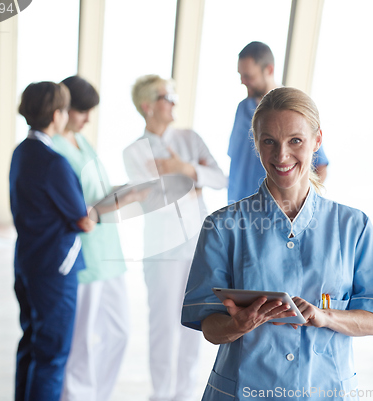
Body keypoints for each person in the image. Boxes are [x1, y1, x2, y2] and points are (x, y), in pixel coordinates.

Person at [182, 87, 373, 401]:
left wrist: (326, 317)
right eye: (269, 141)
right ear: (256, 144)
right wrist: (236, 326)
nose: (281, 155)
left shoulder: (353, 226)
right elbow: (209, 325)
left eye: (295, 140)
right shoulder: (222, 226)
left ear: (317, 141)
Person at [123, 74, 227, 401]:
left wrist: (184, 169)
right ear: (148, 105)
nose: (174, 103)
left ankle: (183, 394)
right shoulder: (134, 152)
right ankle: (161, 394)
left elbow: (220, 179)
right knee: (163, 326)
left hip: (198, 249)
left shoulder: (190, 140)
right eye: (168, 97)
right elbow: (157, 203)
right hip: (162, 251)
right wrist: (191, 185)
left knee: (195, 324)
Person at [52, 76, 142, 401]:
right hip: (85, 257)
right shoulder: (56, 149)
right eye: (82, 111)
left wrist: (127, 191)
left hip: (109, 254)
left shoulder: (81, 141)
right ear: (64, 109)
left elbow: (98, 194)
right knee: (81, 342)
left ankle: (95, 395)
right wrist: (118, 202)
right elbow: (79, 210)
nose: (88, 118)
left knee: (119, 333)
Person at [10, 81, 96, 401]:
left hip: (27, 262)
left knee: (31, 344)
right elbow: (81, 217)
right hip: (55, 270)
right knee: (52, 355)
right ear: (57, 115)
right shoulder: (53, 161)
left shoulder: (21, 153)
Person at [228, 41, 329, 204]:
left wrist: (298, 208)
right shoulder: (242, 108)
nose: (243, 81)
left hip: (274, 215)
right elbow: (235, 159)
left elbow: (321, 167)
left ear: (269, 70)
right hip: (238, 212)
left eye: (248, 76)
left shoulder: (294, 112)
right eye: (241, 75)